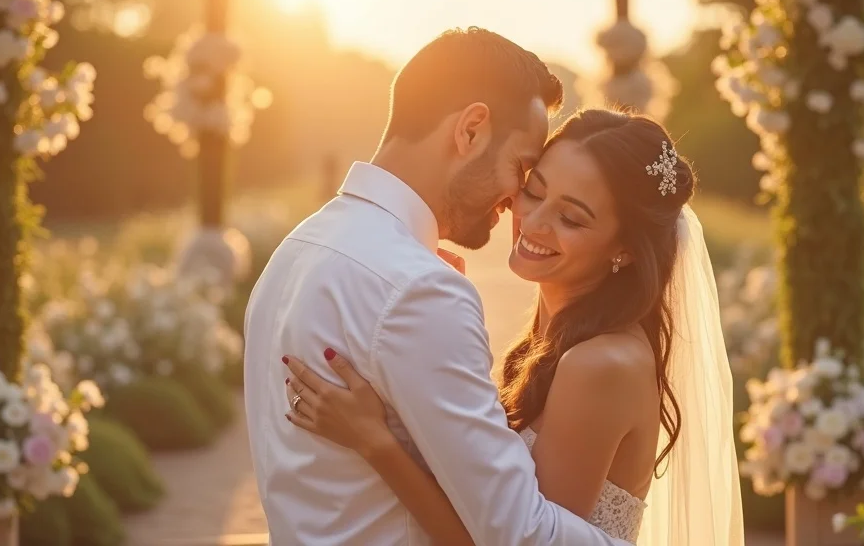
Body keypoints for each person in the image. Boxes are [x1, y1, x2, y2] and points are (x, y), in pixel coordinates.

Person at [244, 27, 634, 545]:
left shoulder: (299, 246)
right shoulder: (418, 290)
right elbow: (520, 532)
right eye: (521, 168)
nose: (517, 198)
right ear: (471, 130)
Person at [282, 109, 745, 545]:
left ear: (622, 249)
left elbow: (508, 538)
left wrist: (375, 442)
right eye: (535, 191)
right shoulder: (555, 341)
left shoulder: (601, 364)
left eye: (570, 217)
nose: (534, 222)